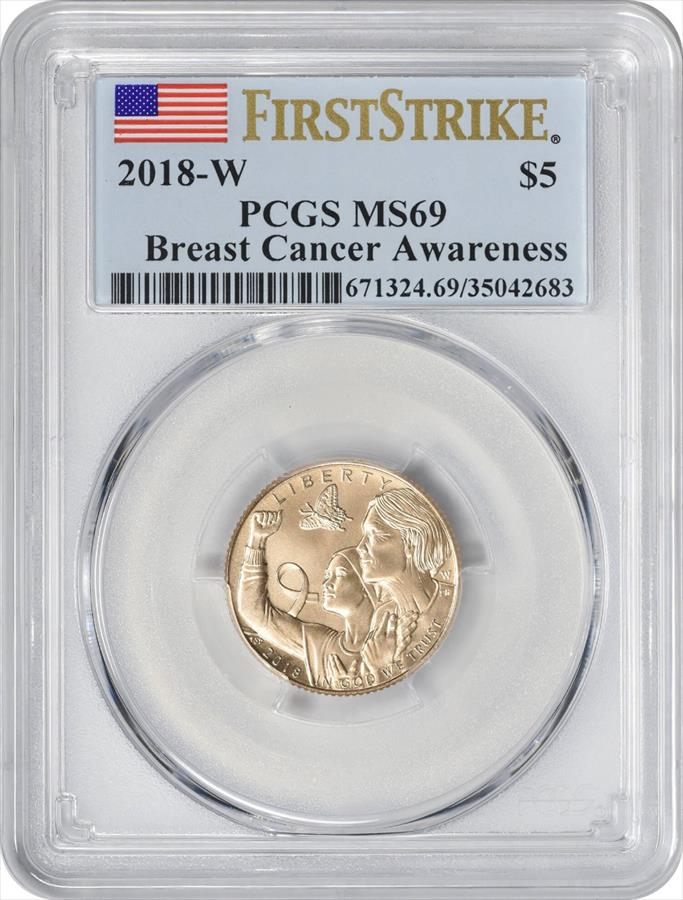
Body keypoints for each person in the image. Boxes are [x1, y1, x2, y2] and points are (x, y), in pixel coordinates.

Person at [235, 510, 393, 689]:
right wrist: (256, 541)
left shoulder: (392, 641)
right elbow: (253, 612)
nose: (327, 584)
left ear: (366, 587)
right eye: (327, 576)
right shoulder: (320, 644)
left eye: (339, 574)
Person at [357, 488, 453, 645]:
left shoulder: (452, 605)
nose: (360, 547)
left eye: (375, 535)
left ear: (411, 543)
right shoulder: (383, 616)